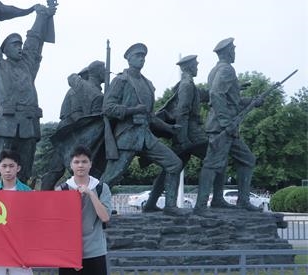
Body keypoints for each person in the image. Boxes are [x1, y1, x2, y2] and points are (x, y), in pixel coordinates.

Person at [0, 0, 55, 186]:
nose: (20, 47)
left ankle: (22, 200)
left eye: (20, 45)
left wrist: (42, 16)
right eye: (15, 45)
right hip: (5, 125)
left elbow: (34, 40)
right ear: (5, 50)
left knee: (25, 171)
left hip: (28, 125)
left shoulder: (27, 65)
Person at [101, 43, 184, 216]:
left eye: (143, 56)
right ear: (129, 59)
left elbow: (150, 116)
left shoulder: (148, 84)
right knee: (111, 177)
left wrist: (169, 128)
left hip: (146, 136)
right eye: (138, 56)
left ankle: (170, 206)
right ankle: (89, 207)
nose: (141, 59)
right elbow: (107, 108)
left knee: (174, 164)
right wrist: (132, 110)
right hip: (127, 136)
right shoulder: (121, 81)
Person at [144, 55, 231, 211]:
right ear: (189, 66)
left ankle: (150, 203)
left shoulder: (188, 84)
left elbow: (204, 94)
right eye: (195, 65)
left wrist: (229, 89)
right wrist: (183, 139)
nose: (197, 67)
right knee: (218, 158)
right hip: (191, 134)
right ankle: (216, 199)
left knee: (171, 168)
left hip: (186, 134)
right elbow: (182, 112)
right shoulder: (186, 85)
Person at [194, 38, 262, 216]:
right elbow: (216, 94)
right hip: (223, 127)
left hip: (223, 126)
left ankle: (221, 200)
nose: (234, 53)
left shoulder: (215, 70)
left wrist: (252, 101)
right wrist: (226, 122)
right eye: (233, 50)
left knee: (234, 162)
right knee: (213, 164)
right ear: (228, 52)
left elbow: (231, 100)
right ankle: (201, 206)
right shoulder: (226, 69)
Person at [56, 145, 112, 275]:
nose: (80, 165)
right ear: (71, 165)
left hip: (95, 252)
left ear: (90, 164)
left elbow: (105, 217)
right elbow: (56, 223)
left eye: (84, 161)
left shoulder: (101, 188)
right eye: (76, 162)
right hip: (69, 254)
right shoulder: (62, 189)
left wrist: (90, 194)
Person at [41, 61, 107, 190]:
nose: (106, 73)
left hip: (88, 134)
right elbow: (75, 115)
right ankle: (42, 197)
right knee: (56, 170)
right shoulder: (76, 91)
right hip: (71, 134)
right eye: (103, 70)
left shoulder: (97, 92)